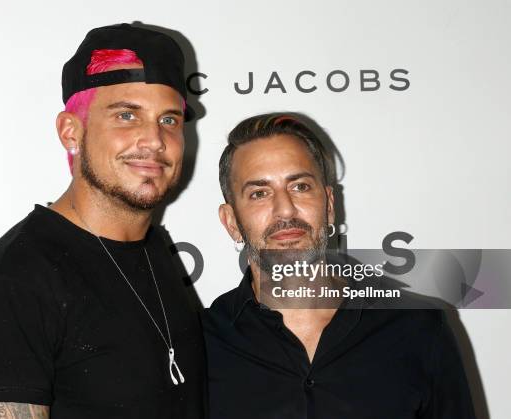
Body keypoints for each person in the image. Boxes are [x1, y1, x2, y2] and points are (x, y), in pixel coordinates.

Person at [0, 23, 205, 419]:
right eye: (126, 115)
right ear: (71, 132)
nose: (153, 140)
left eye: (169, 120)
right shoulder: (10, 283)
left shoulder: (151, 249)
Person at [203, 112, 476, 418]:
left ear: (330, 205)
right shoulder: (201, 345)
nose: (285, 209)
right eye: (259, 193)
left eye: (300, 187)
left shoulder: (418, 327)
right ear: (231, 222)